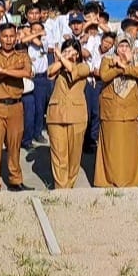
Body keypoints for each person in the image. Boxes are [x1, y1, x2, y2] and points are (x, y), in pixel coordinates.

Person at [0, 23, 34, 192]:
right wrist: (12, 70)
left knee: (14, 146)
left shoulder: (22, 54)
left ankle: (15, 180)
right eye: (5, 36)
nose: (9, 40)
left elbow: (26, 73)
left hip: (16, 105)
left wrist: (3, 71)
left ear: (16, 36)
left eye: (12, 36)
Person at [94, 37, 138, 188]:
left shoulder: (137, 58)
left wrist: (124, 66)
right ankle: (110, 180)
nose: (123, 49)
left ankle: (133, 179)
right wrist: (118, 66)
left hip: (132, 110)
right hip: (112, 110)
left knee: (131, 147)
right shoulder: (108, 59)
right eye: (121, 46)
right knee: (113, 147)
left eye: (126, 45)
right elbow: (104, 75)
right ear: (116, 47)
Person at [46, 39, 91, 189]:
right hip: (56, 114)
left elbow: (74, 71)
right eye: (65, 50)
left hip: (77, 116)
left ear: (78, 54)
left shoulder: (83, 67)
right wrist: (61, 58)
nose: (67, 54)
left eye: (71, 51)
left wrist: (64, 57)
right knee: (59, 155)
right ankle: (61, 188)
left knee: (74, 155)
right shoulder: (58, 68)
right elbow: (49, 72)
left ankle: (70, 186)